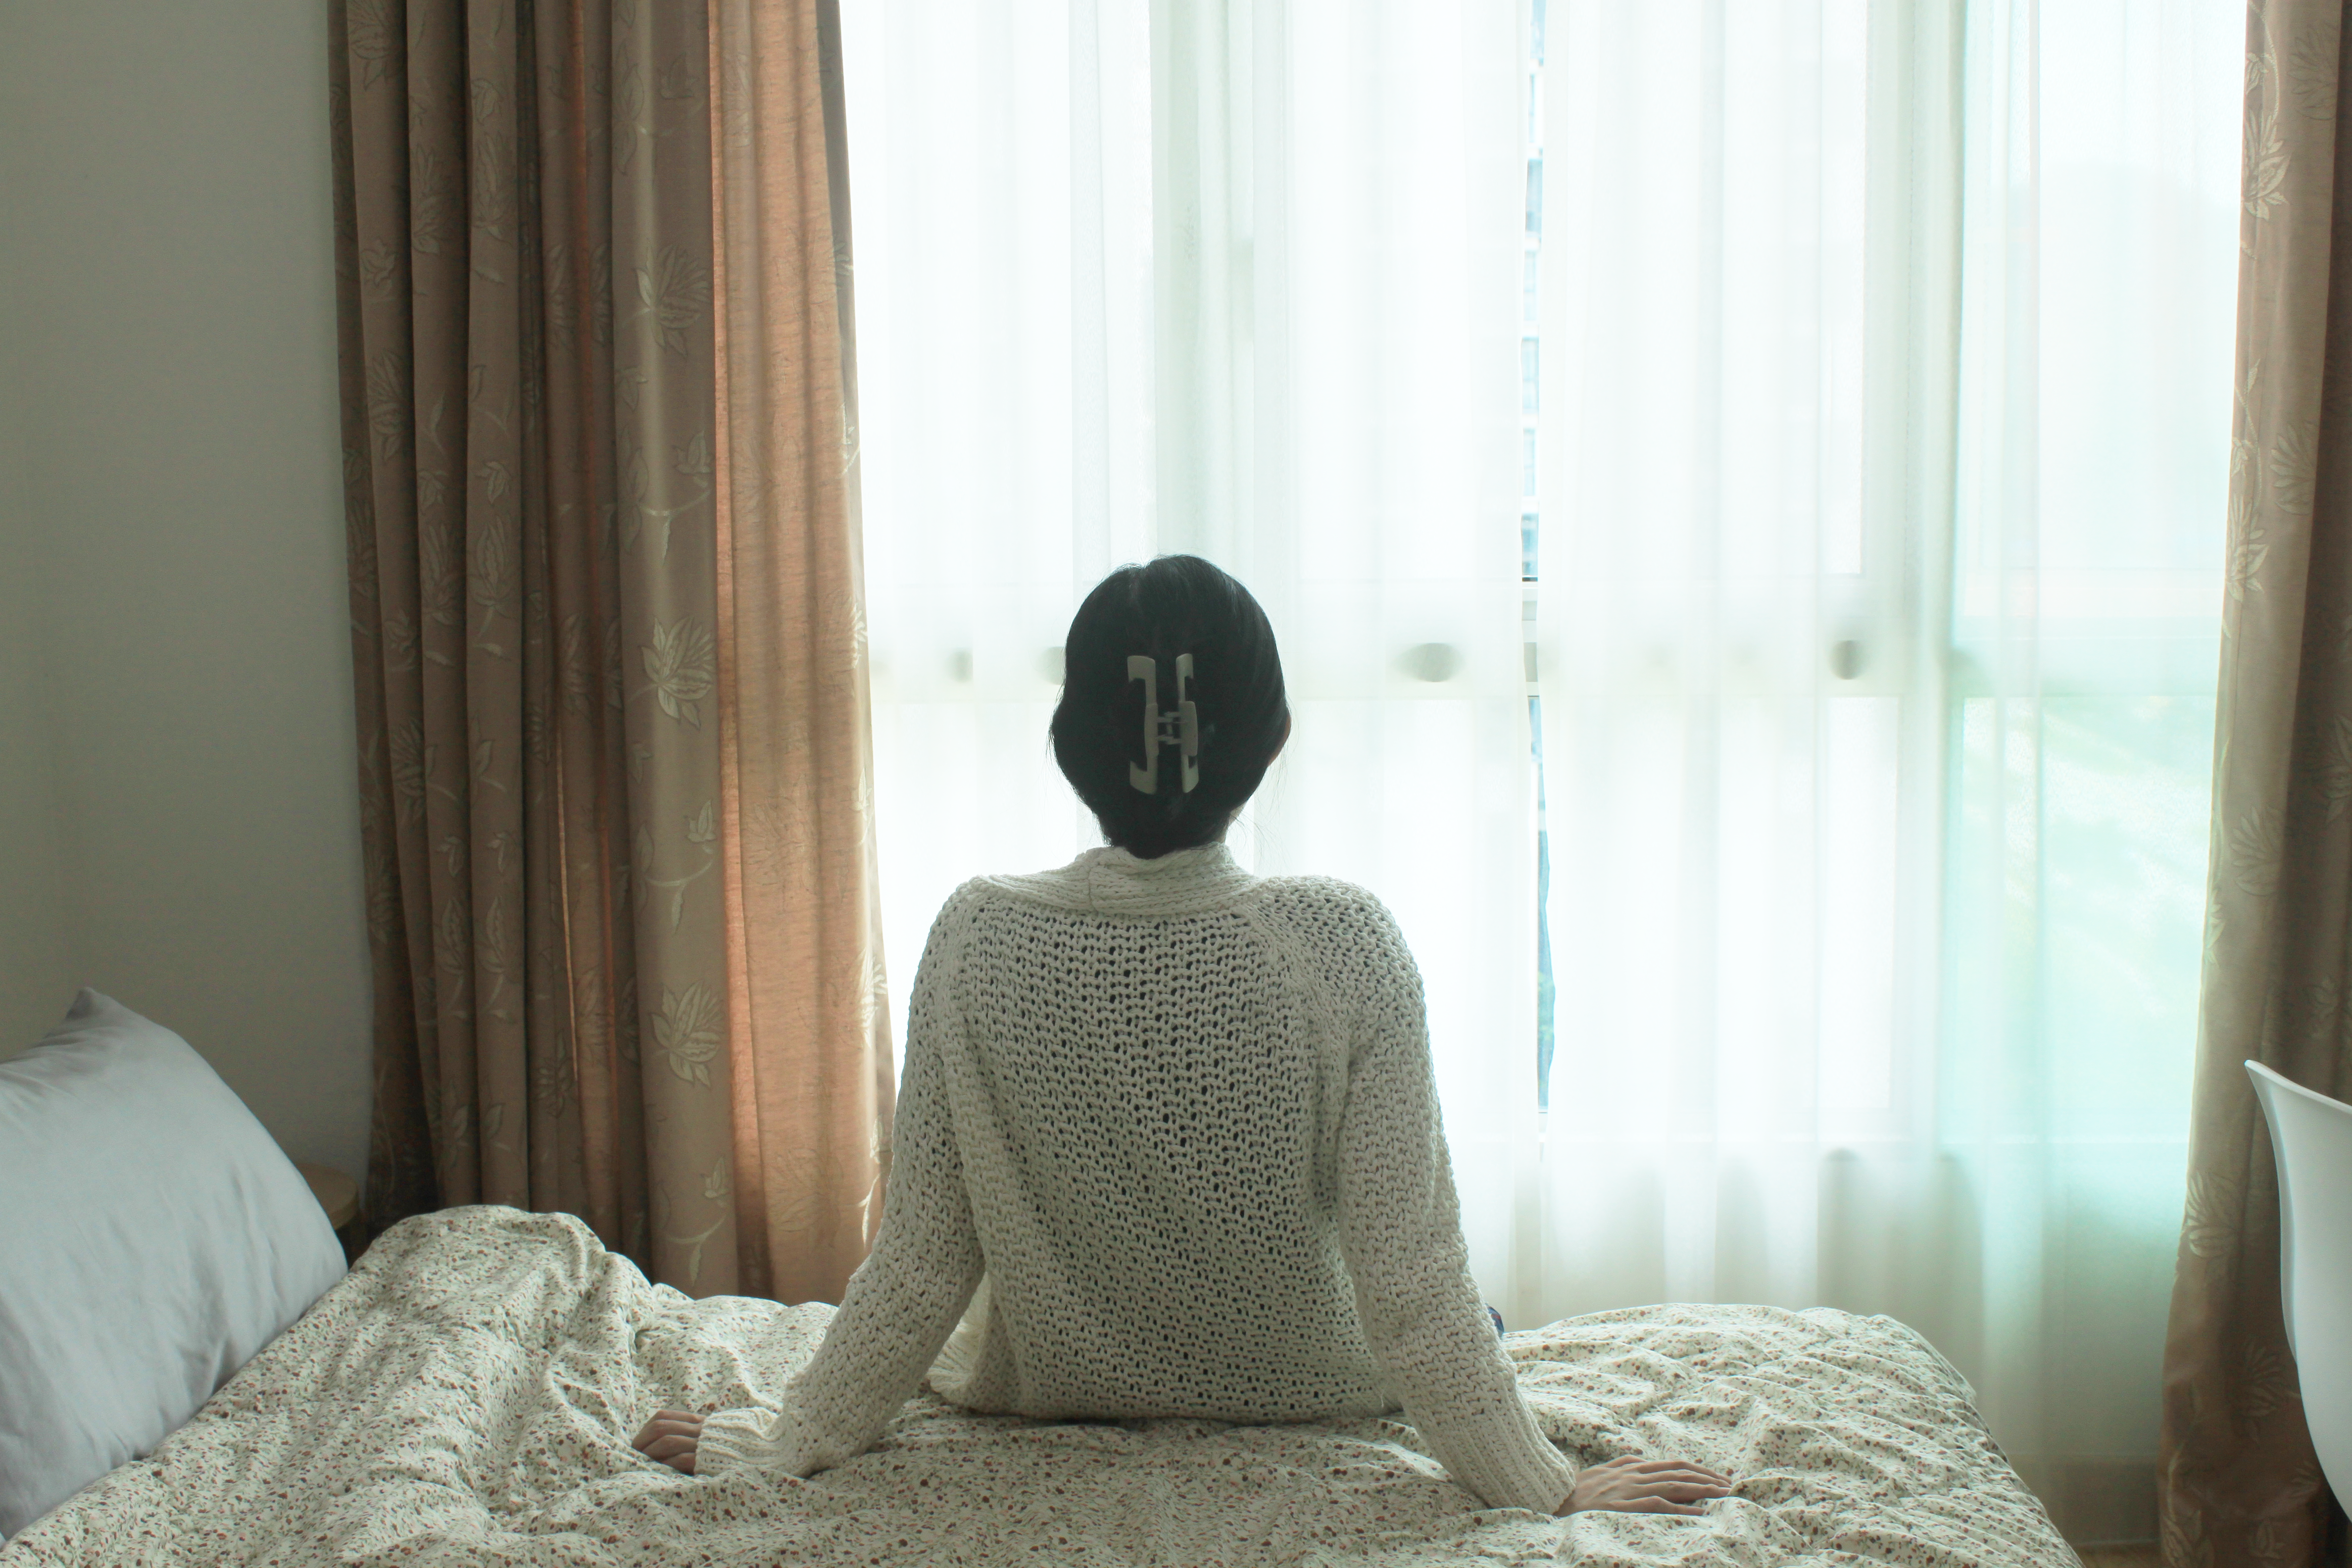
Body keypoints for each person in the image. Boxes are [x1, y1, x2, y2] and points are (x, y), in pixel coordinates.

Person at [631, 555, 1731, 1520]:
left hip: (1046, 1389)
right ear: (1272, 741)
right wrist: (1546, 1486)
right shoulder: (1346, 943)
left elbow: (922, 1263)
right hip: (1322, 1384)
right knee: (1477, 1316)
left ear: (1070, 748)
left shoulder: (977, 937)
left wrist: (783, 1441)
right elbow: (1411, 1282)